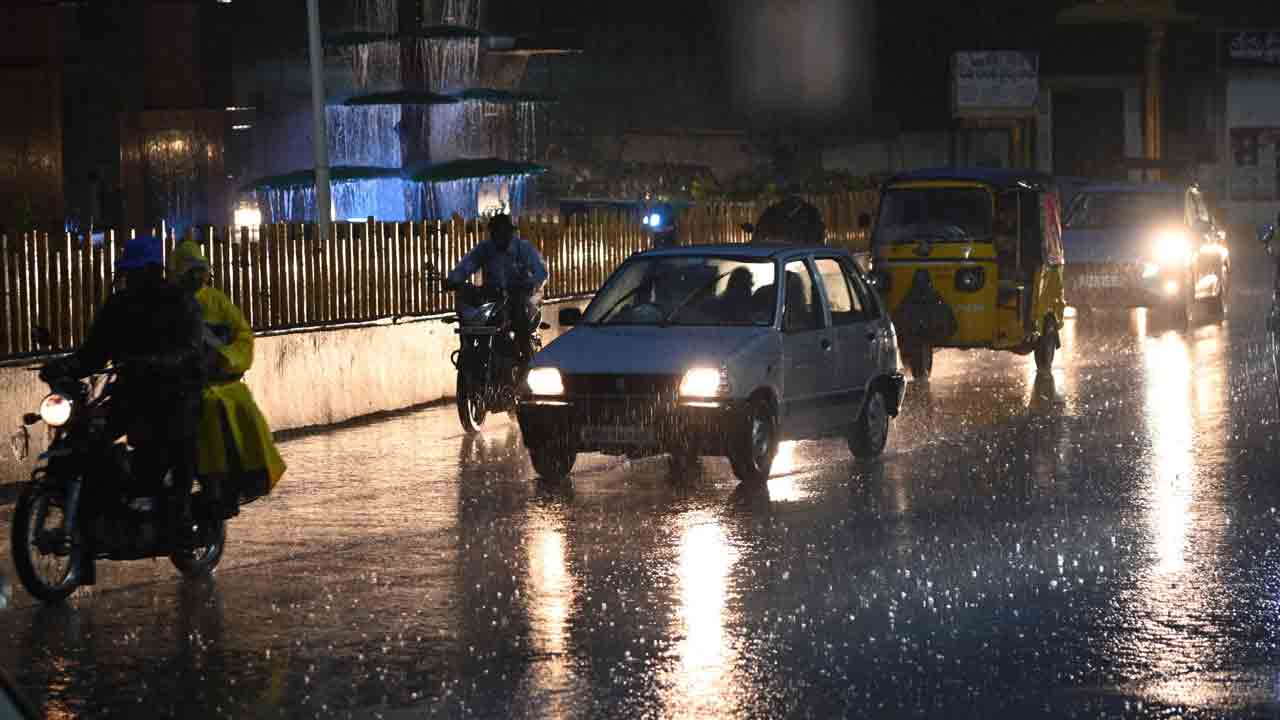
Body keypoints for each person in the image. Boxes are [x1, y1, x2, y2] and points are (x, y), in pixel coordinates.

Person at [41, 235, 205, 541]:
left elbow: (191, 351)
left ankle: (179, 519)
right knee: (89, 436)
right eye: (128, 272)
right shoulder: (118, 305)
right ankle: (105, 503)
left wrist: (154, 362)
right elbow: (93, 353)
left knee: (171, 443)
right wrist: (64, 367)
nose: (130, 278)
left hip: (175, 394)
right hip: (130, 393)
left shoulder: (181, 303)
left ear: (154, 271)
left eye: (136, 271)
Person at [169, 241, 286, 516]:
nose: (197, 277)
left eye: (200, 271)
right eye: (191, 272)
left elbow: (243, 337)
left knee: (229, 411)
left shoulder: (217, 302)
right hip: (177, 384)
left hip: (217, 384)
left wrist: (226, 359)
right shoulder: (167, 304)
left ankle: (226, 485)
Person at [447, 214, 548, 362]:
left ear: (511, 233)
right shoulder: (485, 249)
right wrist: (453, 280)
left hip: (522, 298)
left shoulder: (523, 249)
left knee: (520, 319)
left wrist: (528, 285)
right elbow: (466, 266)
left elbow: (541, 273)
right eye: (496, 232)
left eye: (503, 231)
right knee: (469, 319)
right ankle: (468, 355)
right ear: (491, 233)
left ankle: (528, 364)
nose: (500, 236)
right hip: (494, 299)